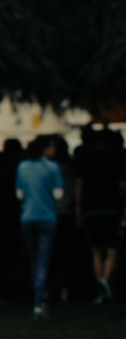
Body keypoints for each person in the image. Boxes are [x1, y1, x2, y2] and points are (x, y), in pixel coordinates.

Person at [15, 136, 66, 320]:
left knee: (34, 260)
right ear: (45, 149)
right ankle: (39, 301)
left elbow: (19, 194)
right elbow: (58, 194)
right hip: (47, 217)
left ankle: (38, 297)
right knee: (43, 260)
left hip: (27, 217)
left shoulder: (22, 167)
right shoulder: (52, 167)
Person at [74, 126, 122, 303]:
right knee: (112, 249)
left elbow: (78, 186)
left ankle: (100, 284)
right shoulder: (114, 160)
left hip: (90, 208)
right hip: (111, 208)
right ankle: (105, 280)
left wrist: (78, 209)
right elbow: (121, 186)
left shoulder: (84, 160)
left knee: (96, 250)